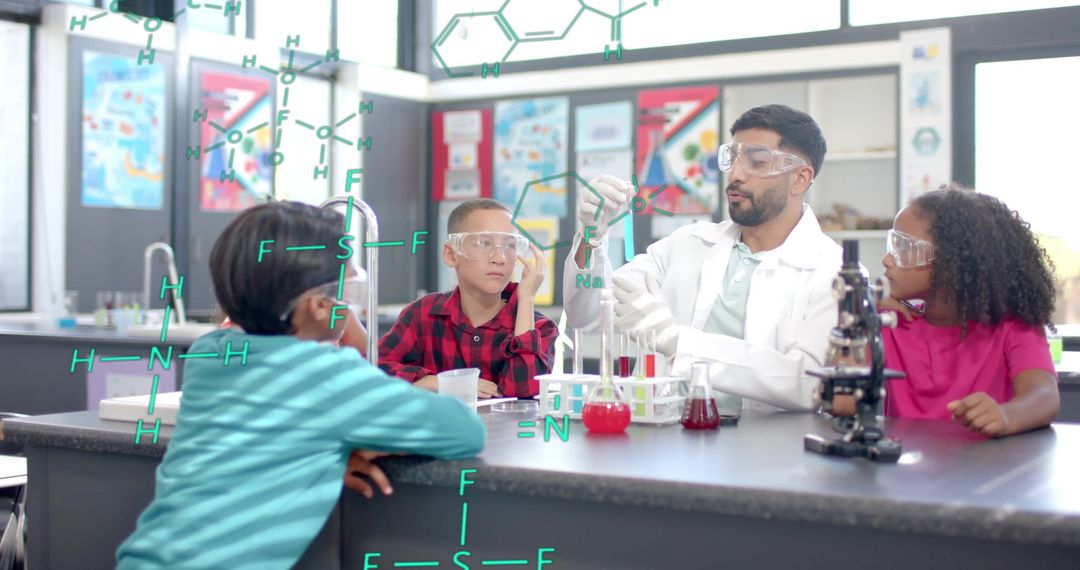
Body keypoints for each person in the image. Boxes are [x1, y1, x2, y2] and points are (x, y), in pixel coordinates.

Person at [116, 201, 486, 569]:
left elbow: (264, 442)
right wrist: (345, 443)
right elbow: (465, 430)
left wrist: (317, 451)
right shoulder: (328, 376)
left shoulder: (210, 354)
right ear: (320, 306)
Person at [563, 104, 840, 412]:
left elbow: (809, 383)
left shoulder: (832, 271)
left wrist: (677, 341)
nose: (735, 174)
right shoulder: (688, 244)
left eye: (756, 162)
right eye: (731, 158)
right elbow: (587, 315)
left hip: (766, 453)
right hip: (667, 444)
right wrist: (591, 237)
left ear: (801, 178)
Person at [880, 186, 1059, 436]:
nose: (887, 260)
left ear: (952, 264)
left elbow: (1045, 396)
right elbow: (841, 405)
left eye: (905, 248)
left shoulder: (1012, 324)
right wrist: (858, 308)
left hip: (987, 468)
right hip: (905, 469)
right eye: (892, 244)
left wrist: (1006, 415)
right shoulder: (889, 320)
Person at [378, 199, 558, 398]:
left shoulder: (540, 328)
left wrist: (526, 299)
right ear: (451, 254)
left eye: (509, 246)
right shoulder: (423, 314)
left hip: (505, 430)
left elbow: (524, 391)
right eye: (483, 243)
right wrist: (436, 382)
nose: (498, 258)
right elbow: (373, 371)